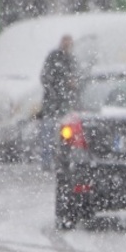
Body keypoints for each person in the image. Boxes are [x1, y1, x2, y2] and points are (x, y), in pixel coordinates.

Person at [40, 35, 78, 168]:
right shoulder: (54, 57)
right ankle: (47, 160)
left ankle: (60, 160)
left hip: (63, 103)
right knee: (48, 131)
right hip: (52, 102)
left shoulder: (71, 60)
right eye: (65, 42)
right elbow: (45, 77)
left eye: (69, 42)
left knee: (62, 133)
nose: (67, 45)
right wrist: (55, 90)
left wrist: (72, 85)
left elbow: (75, 78)